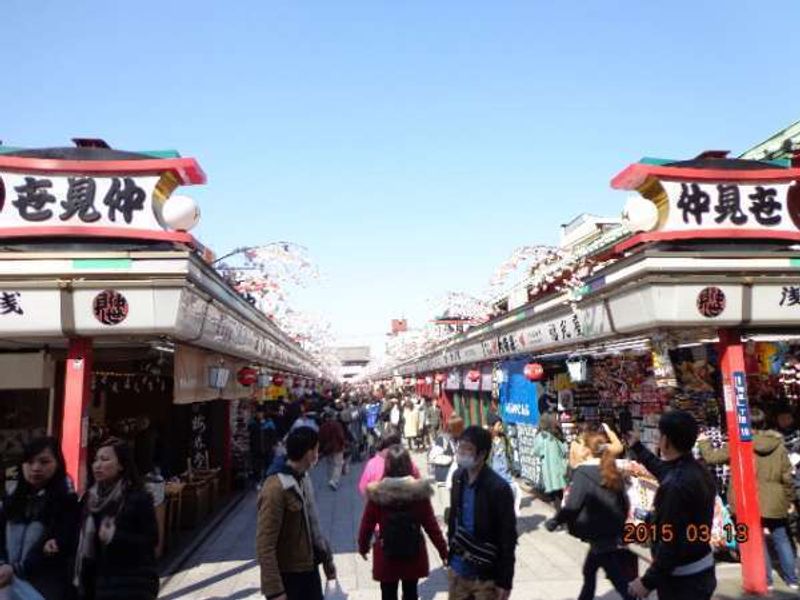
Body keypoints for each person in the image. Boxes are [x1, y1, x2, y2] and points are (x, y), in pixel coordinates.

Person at [698, 407, 798, 590]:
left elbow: (712, 457)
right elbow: (787, 476)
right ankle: (792, 579)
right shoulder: (778, 444)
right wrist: (788, 499)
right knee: (781, 537)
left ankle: (766, 581)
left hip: (747, 498)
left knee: (757, 540)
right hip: (775, 499)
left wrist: (704, 442)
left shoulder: (738, 443)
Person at [626, 411, 716, 600]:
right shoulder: (696, 468)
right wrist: (637, 446)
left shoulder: (675, 486)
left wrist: (646, 582)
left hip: (683, 581)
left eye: (659, 436)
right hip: (701, 568)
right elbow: (661, 468)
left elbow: (671, 543)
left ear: (665, 440)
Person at [545, 431, 635, 600]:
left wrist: (556, 521)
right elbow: (624, 502)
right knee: (590, 570)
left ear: (588, 450)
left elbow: (573, 505)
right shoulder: (611, 468)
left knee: (615, 577)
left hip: (597, 532)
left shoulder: (583, 473)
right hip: (610, 531)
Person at [358, 445, 447, 600]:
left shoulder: (377, 493)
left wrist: (363, 546)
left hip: (387, 555)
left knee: (388, 594)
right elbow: (431, 526)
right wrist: (443, 551)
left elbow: (367, 525)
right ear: (408, 465)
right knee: (411, 592)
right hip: (413, 554)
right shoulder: (419, 493)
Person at [257, 427, 336, 600]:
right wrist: (275, 591)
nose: (318, 453)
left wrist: (328, 562)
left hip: (309, 569)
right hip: (289, 576)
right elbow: (265, 544)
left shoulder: (303, 477)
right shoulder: (275, 488)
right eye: (316, 449)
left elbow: (313, 525)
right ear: (309, 453)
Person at [75, 437, 159, 600]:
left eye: (105, 459)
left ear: (121, 465)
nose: (98, 465)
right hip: (95, 583)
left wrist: (115, 537)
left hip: (132, 584)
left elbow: (151, 541)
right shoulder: (89, 500)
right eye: (95, 460)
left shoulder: (137, 498)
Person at [0, 437, 79, 600]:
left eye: (44, 462)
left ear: (57, 463)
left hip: (46, 587)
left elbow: (60, 544)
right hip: (7, 582)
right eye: (29, 462)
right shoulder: (11, 499)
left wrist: (17, 569)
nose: (36, 468)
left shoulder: (67, 500)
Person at [448, 426, 517, 600]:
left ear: (482, 454)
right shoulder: (458, 477)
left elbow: (508, 537)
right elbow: (454, 519)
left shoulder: (498, 488)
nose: (462, 453)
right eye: (460, 448)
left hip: (485, 577)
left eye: (468, 449)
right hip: (458, 570)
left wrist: (505, 581)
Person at [358, 433, 421, 497]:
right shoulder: (406, 461)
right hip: (409, 501)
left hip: (379, 502)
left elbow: (363, 488)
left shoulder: (372, 464)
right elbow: (418, 481)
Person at [488, 415, 522, 516]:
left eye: (501, 424)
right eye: (498, 425)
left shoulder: (504, 438)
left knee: (516, 491)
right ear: (492, 426)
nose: (501, 426)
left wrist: (513, 467)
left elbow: (509, 453)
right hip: (494, 474)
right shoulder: (487, 440)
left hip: (505, 472)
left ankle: (512, 510)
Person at [533, 413, 568, 509]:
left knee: (555, 496)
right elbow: (565, 449)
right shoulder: (558, 433)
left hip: (549, 470)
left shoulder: (541, 436)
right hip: (561, 468)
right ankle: (562, 513)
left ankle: (559, 516)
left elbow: (536, 451)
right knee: (561, 494)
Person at [318, 410, 346, 491]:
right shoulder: (337, 425)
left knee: (330, 464)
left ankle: (330, 479)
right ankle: (334, 481)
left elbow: (320, 438)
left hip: (327, 448)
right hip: (337, 447)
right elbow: (341, 436)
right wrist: (343, 444)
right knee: (338, 464)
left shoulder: (323, 426)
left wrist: (322, 448)